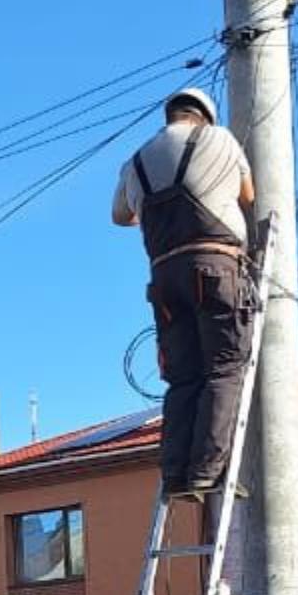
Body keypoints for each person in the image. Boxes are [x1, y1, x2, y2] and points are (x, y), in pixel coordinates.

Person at [112, 86, 257, 497]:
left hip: (164, 279)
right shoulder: (220, 139)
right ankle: (207, 472)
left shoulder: (136, 160)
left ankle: (175, 475)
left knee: (183, 378)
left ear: (170, 116)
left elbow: (120, 216)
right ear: (204, 117)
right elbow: (249, 194)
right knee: (225, 369)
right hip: (215, 268)